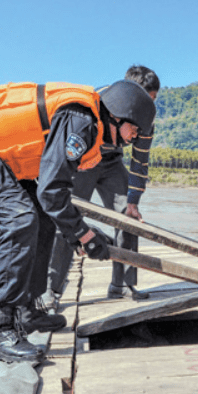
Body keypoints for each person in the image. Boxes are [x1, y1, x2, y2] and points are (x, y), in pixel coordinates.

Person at [0, 80, 156, 364]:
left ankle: (28, 310)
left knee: (41, 219)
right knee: (21, 221)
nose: (134, 138)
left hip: (5, 163)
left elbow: (52, 197)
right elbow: (52, 192)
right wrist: (84, 235)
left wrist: (80, 234)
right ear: (118, 116)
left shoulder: (88, 122)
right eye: (134, 129)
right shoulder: (81, 122)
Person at [45, 66, 160, 305]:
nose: (146, 112)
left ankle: (122, 284)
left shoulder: (147, 120)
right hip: (84, 160)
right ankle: (52, 289)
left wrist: (133, 201)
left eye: (151, 103)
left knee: (127, 217)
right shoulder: (101, 100)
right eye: (143, 102)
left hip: (111, 162)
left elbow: (140, 161)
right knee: (67, 214)